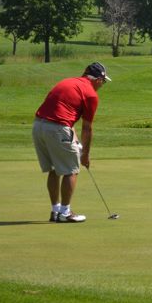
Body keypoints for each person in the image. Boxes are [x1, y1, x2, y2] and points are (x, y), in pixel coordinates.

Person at [32, 62, 111, 223]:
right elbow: (87, 128)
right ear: (97, 79)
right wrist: (85, 155)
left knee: (54, 168)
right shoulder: (90, 94)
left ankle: (56, 211)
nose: (102, 85)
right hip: (57, 128)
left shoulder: (67, 82)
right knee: (71, 170)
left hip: (39, 126)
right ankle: (65, 212)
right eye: (103, 82)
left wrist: (72, 137)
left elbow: (62, 112)